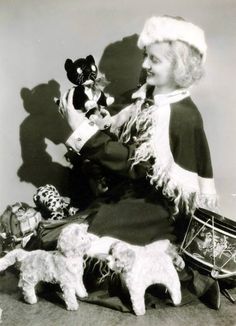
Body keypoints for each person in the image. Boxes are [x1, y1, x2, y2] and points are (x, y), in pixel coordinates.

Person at [58, 15, 220, 310]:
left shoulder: (181, 115)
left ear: (179, 66)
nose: (144, 64)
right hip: (134, 194)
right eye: (146, 56)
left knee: (82, 237)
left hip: (158, 210)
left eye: (154, 60)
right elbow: (125, 119)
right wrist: (96, 115)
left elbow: (134, 163)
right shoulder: (151, 97)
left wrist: (82, 131)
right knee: (76, 227)